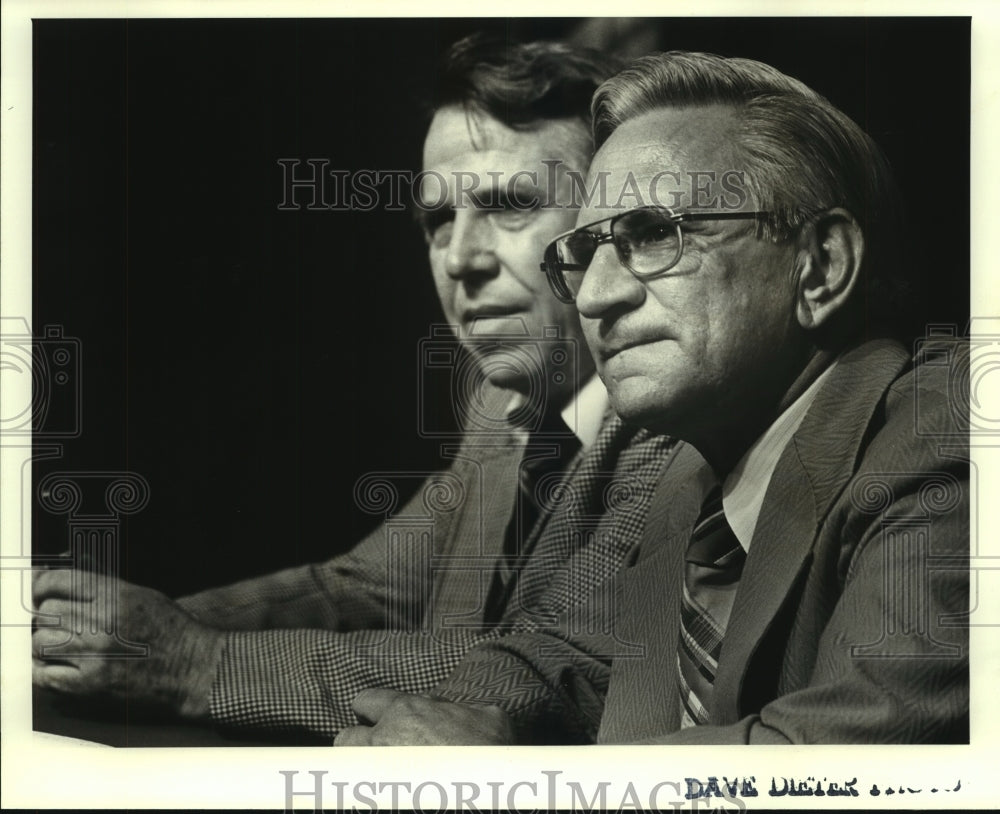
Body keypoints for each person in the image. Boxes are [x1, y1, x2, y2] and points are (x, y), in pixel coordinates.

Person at [30, 36, 678, 741]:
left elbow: (536, 666)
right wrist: (102, 630)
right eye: (437, 220)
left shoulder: (676, 418)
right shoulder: (502, 407)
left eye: (509, 204)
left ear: (608, 230)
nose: (460, 258)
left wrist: (194, 661)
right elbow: (364, 587)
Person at [334, 51, 969, 746]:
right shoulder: (694, 479)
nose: (596, 298)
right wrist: (424, 726)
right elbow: (567, 660)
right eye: (584, 254)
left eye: (653, 234)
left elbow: (840, 765)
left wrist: (502, 781)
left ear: (821, 267)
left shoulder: (954, 431)